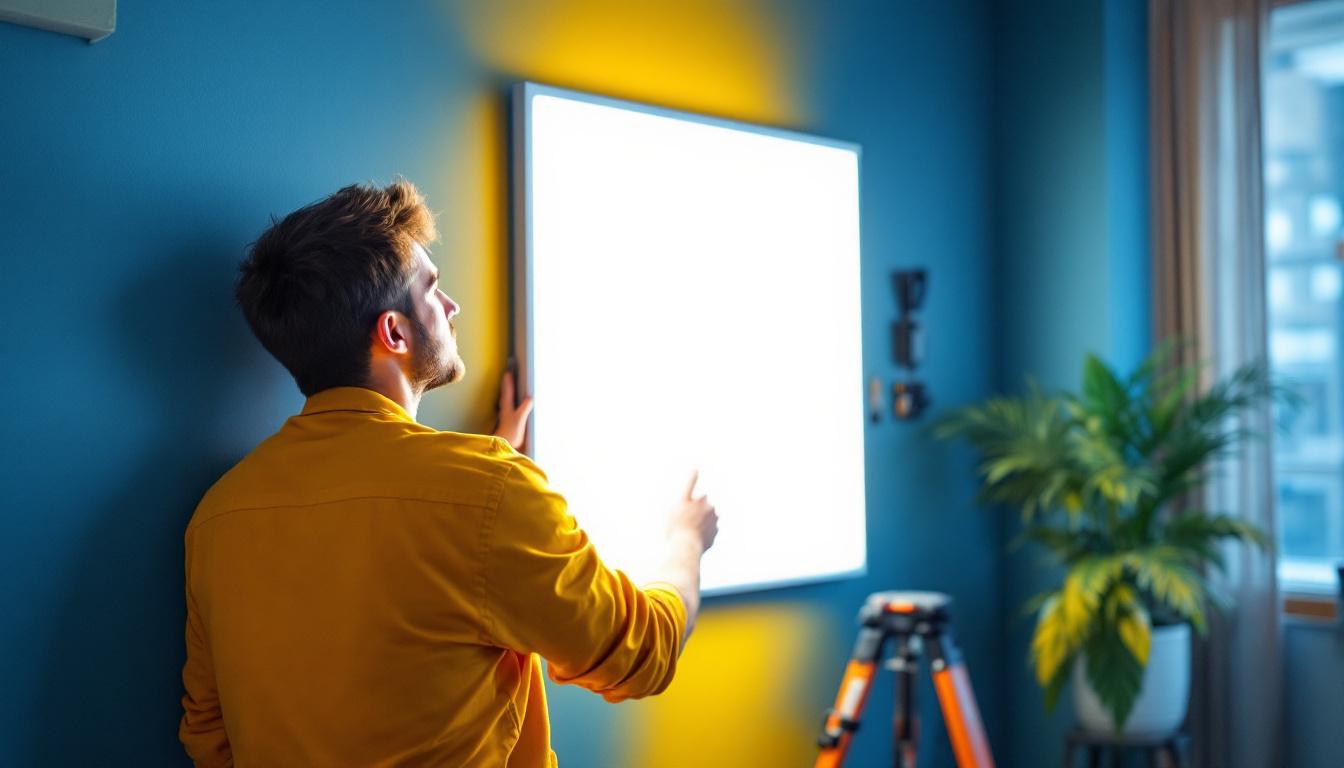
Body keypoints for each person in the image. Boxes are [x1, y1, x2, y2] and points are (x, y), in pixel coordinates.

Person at [178, 179, 718, 767]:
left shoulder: (218, 516)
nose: (452, 307)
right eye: (432, 288)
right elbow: (642, 654)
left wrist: (488, 472)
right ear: (394, 332)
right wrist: (686, 539)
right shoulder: (486, 494)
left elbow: (210, 736)